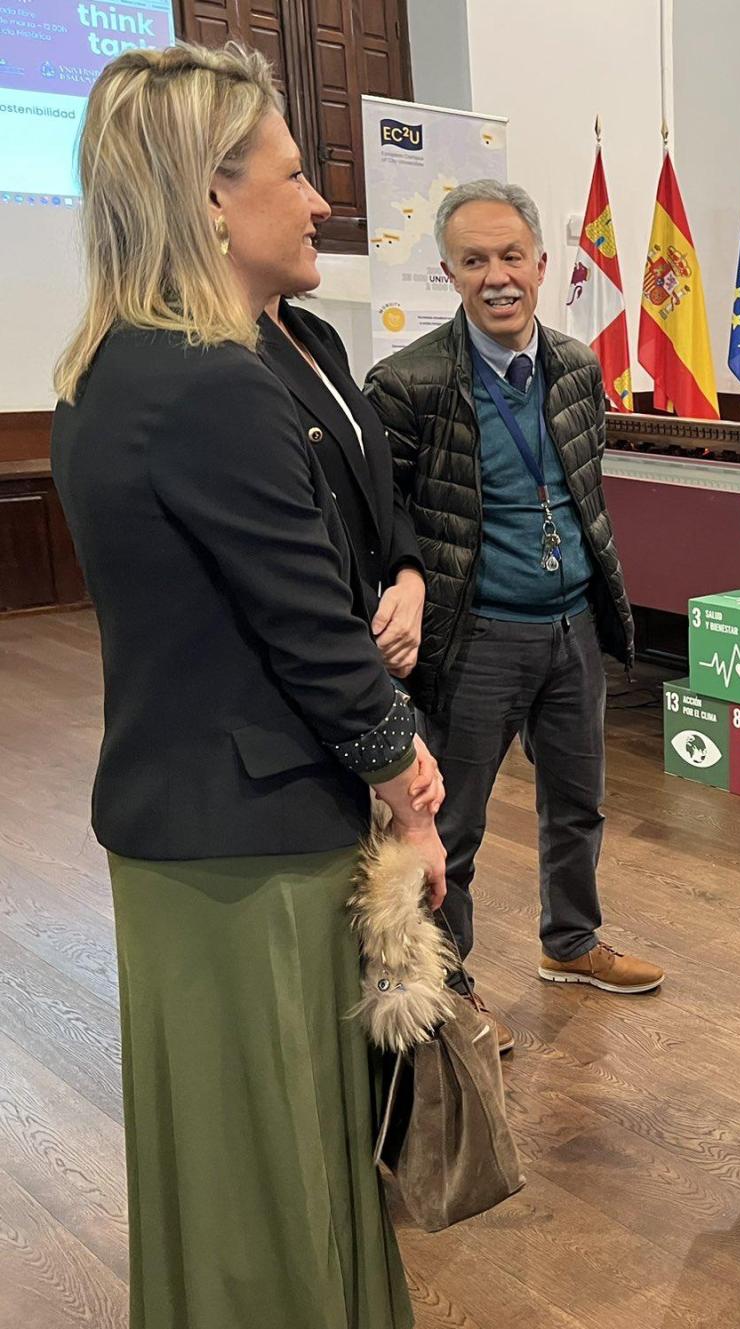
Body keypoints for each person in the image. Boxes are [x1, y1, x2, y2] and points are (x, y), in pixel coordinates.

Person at [48, 43, 447, 1328]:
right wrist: (410, 786)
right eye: (291, 171)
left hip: (196, 821)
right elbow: (307, 633)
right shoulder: (211, 382)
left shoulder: (118, 369)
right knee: (267, 1170)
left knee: (240, 1156)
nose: (321, 197)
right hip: (250, 832)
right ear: (210, 196)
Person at [366, 179, 656, 1055]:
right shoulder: (405, 383)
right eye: (474, 261)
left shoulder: (576, 364)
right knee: (452, 823)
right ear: (449, 272)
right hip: (474, 637)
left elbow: (578, 491)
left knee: (580, 803)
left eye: (511, 257)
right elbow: (385, 523)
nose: (497, 277)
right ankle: (448, 987)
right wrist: (409, 582)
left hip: (571, 627)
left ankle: (570, 943)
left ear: (541, 263)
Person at [259, 289, 425, 658]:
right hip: (325, 640)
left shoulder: (318, 335)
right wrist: (374, 616)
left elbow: (374, 478)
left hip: (372, 625)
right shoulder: (225, 352)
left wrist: (409, 574)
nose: (319, 225)